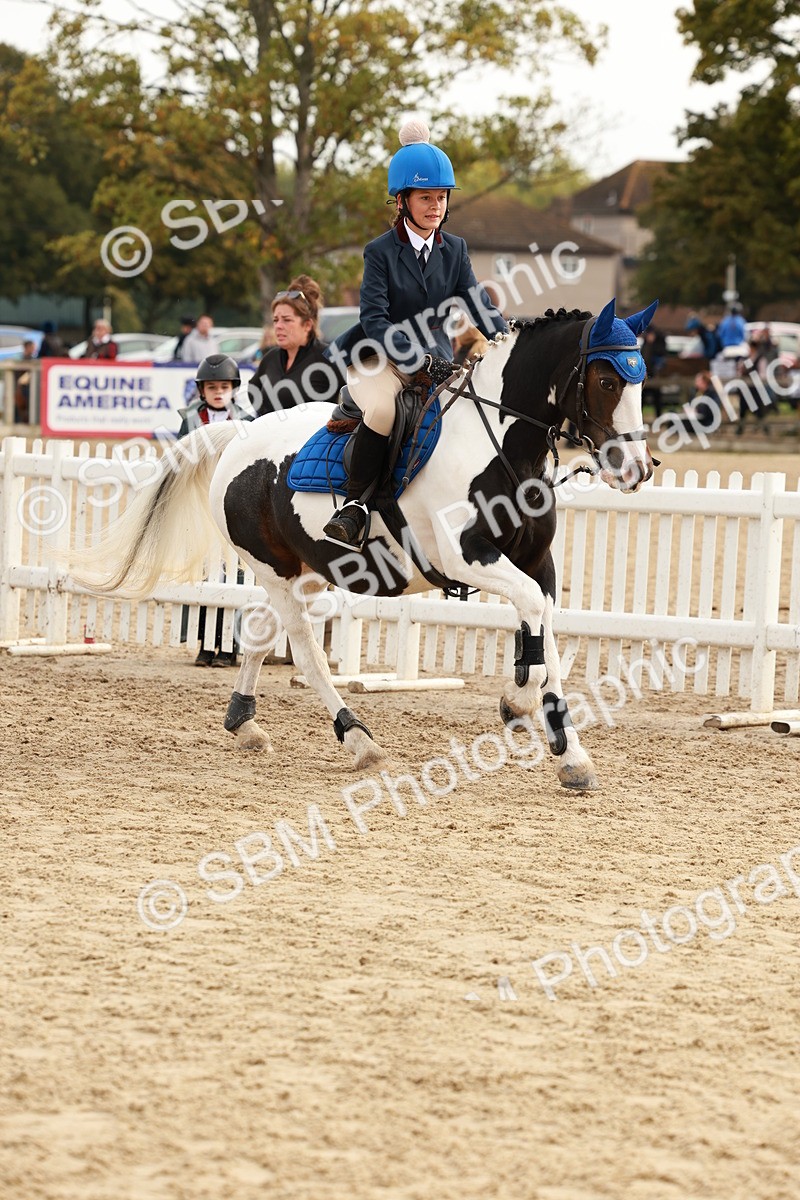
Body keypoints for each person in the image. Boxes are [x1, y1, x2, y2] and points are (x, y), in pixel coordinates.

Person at [322, 119, 508, 548]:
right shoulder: (380, 252)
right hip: (382, 359)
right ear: (403, 201)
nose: (436, 206)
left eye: (441, 198)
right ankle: (354, 508)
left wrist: (507, 338)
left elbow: (477, 302)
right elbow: (375, 319)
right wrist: (416, 360)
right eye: (426, 197)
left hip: (440, 359)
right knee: (385, 414)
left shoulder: (455, 249)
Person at [178, 355, 254, 665]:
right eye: (212, 387)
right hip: (199, 500)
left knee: (234, 575)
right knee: (203, 571)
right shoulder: (190, 420)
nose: (218, 392)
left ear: (233, 389)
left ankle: (229, 646)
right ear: (202, 391)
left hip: (233, 502)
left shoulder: (246, 421)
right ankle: (204, 643)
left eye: (224, 386)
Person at [252, 275, 343, 413]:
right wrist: (264, 418)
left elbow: (354, 397)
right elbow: (253, 388)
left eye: (286, 320)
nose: (278, 326)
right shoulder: (271, 357)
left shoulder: (328, 356)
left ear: (307, 325)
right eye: (276, 320)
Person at [14, 340, 37, 422]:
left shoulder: (33, 360)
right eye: (32, 347)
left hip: (29, 387)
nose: (34, 349)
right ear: (27, 347)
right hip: (21, 387)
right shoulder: (20, 359)